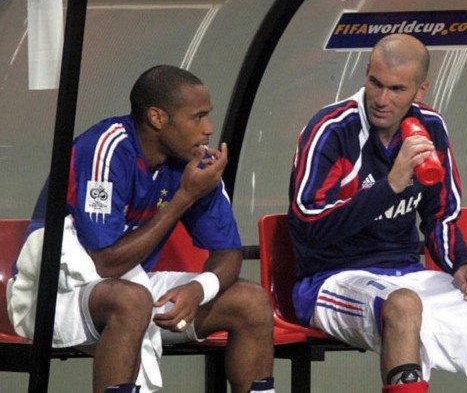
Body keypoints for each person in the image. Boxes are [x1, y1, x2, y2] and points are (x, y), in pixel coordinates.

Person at [288, 33, 467, 393]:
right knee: (403, 306)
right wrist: (390, 187)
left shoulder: (431, 127)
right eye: (376, 83)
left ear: (420, 90)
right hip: (331, 278)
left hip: (407, 273)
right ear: (366, 74)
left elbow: (440, 213)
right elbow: (308, 228)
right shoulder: (330, 129)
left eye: (397, 89)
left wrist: (462, 263)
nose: (382, 99)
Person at [8, 65, 276, 393]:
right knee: (132, 300)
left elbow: (228, 252)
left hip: (132, 291)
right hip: (52, 294)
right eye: (198, 117)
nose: (208, 129)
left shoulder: (193, 162)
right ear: (157, 118)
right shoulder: (106, 148)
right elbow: (104, 264)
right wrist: (184, 197)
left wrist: (198, 290)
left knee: (250, 300)